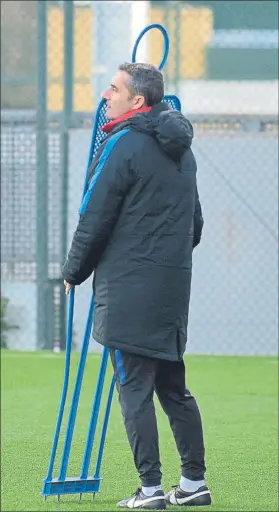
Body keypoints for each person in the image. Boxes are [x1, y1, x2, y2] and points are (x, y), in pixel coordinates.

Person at [62, 62, 211, 509]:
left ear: (137, 101)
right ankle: (192, 484)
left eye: (113, 89)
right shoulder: (183, 150)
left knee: (133, 390)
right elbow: (195, 224)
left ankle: (149, 491)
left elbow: (95, 215)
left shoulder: (122, 143)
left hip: (127, 289)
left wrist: (73, 271)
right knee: (173, 387)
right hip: (170, 289)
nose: (105, 96)